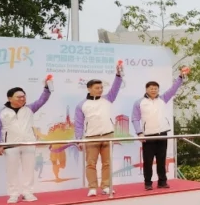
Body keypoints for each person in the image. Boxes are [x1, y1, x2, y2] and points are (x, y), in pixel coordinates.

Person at [0, 80, 52, 203]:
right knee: (12, 170)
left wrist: (47, 87)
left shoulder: (30, 109)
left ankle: (27, 193)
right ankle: (13, 194)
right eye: (18, 97)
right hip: (10, 145)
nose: (22, 99)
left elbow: (42, 100)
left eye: (24, 96)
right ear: (10, 98)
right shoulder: (1, 113)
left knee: (28, 170)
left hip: (28, 143)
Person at [74, 63, 124, 197]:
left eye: (101, 87)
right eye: (97, 88)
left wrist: (118, 74)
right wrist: (78, 140)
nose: (100, 90)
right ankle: (92, 188)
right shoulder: (81, 105)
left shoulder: (108, 98)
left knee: (107, 163)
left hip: (108, 135)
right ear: (89, 88)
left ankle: (106, 186)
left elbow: (115, 87)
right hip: (91, 138)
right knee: (91, 164)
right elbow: (78, 124)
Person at [131, 68, 185, 190]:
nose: (154, 90)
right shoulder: (139, 102)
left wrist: (180, 77)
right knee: (148, 161)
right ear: (146, 89)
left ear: (158, 90)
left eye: (156, 88)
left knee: (161, 160)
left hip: (162, 134)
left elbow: (173, 89)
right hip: (148, 136)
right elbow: (135, 119)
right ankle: (148, 183)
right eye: (151, 88)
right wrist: (139, 133)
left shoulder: (163, 99)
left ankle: (162, 182)